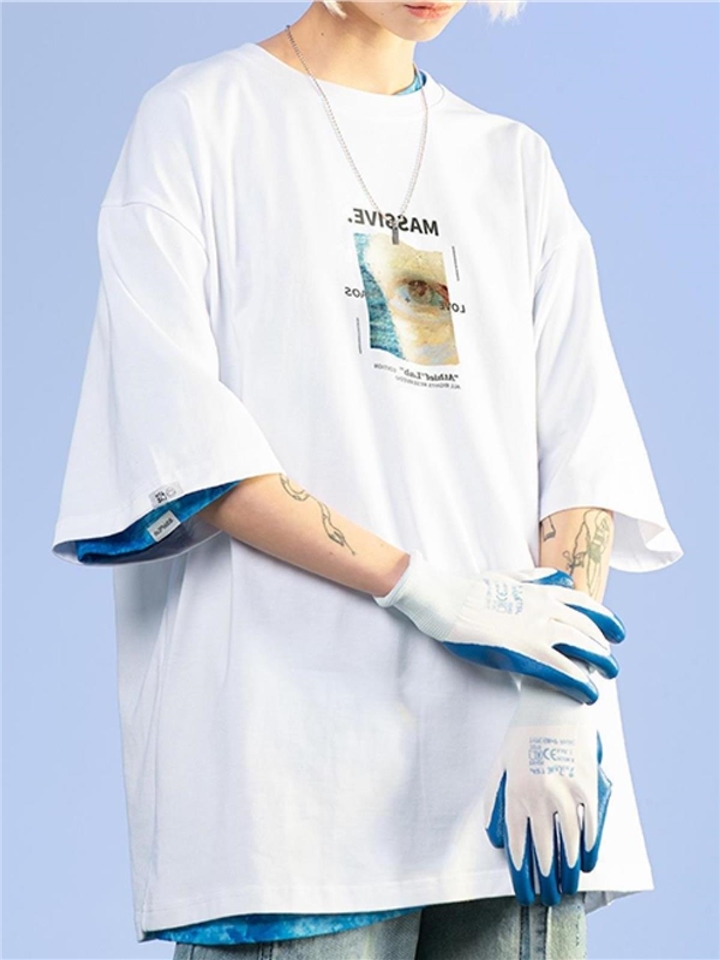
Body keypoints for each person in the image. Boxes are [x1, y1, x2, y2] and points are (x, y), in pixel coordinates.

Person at [50, 1, 684, 958]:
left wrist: (560, 698)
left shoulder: (512, 163)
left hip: (512, 780)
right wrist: (420, 586)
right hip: (296, 780)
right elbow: (186, 449)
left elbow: (581, 451)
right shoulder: (202, 121)